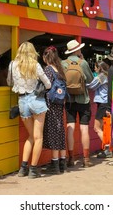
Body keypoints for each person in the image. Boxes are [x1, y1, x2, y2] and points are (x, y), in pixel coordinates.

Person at [7, 42, 51, 179]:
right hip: (36, 100)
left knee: (30, 136)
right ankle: (33, 170)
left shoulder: (12, 65)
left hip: (22, 101)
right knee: (38, 137)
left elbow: (10, 83)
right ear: (32, 51)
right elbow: (48, 83)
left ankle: (23, 168)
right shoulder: (35, 65)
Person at [61, 39, 94, 167]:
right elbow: (90, 80)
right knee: (84, 128)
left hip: (69, 100)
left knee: (70, 128)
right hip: (83, 99)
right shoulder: (83, 63)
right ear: (78, 50)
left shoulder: (63, 63)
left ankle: (70, 158)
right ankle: (86, 160)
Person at [41, 46, 67, 175]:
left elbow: (46, 85)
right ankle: (62, 162)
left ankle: (55, 164)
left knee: (53, 132)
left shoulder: (48, 69)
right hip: (60, 103)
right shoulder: (60, 69)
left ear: (46, 57)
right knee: (60, 130)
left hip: (51, 104)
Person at [86, 60, 112, 158]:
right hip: (106, 104)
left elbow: (91, 86)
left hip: (102, 104)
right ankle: (108, 148)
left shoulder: (101, 76)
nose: (94, 68)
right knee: (104, 128)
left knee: (96, 128)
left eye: (96, 67)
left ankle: (107, 149)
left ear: (100, 68)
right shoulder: (108, 75)